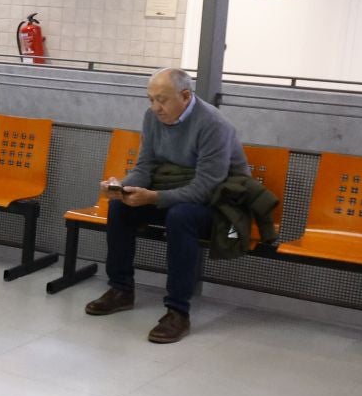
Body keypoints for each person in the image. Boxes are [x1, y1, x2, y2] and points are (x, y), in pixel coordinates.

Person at [85, 67, 250, 344]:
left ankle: (178, 311)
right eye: (150, 99)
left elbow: (206, 187)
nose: (155, 107)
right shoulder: (152, 118)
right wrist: (123, 187)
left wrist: (154, 198)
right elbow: (145, 165)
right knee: (121, 208)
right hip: (172, 190)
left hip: (220, 202)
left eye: (162, 99)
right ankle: (121, 290)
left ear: (185, 96)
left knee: (180, 217)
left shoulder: (213, 125)